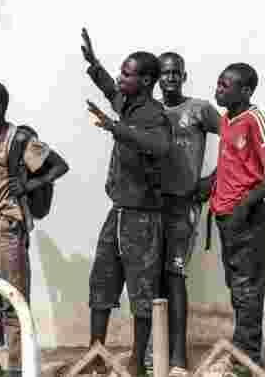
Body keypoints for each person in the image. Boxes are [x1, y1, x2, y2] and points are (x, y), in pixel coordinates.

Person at [79, 28, 174, 377]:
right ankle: (96, 354)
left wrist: (114, 127)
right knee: (101, 282)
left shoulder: (155, 115)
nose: (120, 79)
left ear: (146, 80)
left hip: (143, 218)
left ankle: (136, 361)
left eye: (126, 74)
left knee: (142, 291)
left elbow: (160, 146)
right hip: (117, 212)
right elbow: (109, 90)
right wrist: (94, 65)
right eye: (121, 72)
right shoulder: (128, 103)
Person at [0, 80, 70, 377]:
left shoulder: (20, 139)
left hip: (9, 225)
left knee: (14, 296)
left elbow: (59, 165)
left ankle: (16, 366)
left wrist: (29, 185)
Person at [207, 63, 265, 376]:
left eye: (225, 84)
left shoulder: (256, 121)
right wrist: (208, 187)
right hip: (225, 217)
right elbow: (234, 166)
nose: (218, 88)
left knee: (248, 288)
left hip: (245, 218)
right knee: (237, 287)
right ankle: (241, 350)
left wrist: (245, 204)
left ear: (245, 91)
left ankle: (248, 358)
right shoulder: (228, 120)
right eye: (219, 82)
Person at [146, 52, 221, 376]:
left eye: (176, 72)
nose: (171, 78)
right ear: (157, 78)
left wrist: (213, 180)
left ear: (184, 76)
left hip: (183, 205)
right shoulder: (149, 110)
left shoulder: (199, 109)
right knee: (151, 278)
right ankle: (154, 353)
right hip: (150, 206)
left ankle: (177, 357)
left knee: (175, 276)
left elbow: (234, 141)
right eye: (165, 73)